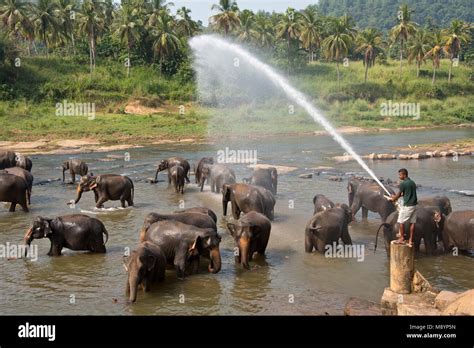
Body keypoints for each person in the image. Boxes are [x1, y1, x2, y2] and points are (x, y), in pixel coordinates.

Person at [389, 168, 418, 247]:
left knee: (401, 222)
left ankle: (401, 238)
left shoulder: (403, 184)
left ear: (404, 175)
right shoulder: (412, 182)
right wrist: (395, 197)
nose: (399, 176)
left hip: (407, 206)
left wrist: (393, 199)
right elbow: (406, 193)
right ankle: (410, 240)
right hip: (414, 205)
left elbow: (398, 195)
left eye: (400, 175)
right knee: (412, 223)